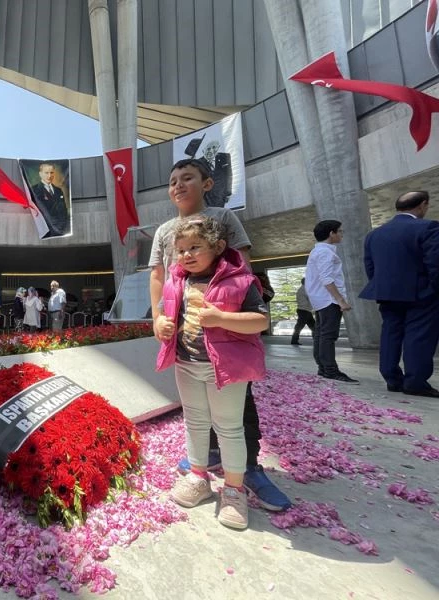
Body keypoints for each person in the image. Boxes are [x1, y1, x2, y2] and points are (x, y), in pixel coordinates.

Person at [149, 158, 291, 512]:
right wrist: (157, 317)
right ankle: (205, 464)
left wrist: (230, 315)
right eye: (173, 181)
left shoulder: (224, 218)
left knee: (238, 409)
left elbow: (241, 268)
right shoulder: (165, 230)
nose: (178, 186)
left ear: (207, 183)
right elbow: (157, 275)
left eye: (188, 178)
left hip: (226, 336)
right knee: (196, 410)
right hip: (186, 337)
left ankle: (248, 470)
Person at [157, 216, 268, 530]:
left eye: (195, 247)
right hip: (186, 364)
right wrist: (161, 326)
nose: (186, 255)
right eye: (180, 250)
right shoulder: (175, 282)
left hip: (226, 368)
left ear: (218, 247)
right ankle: (198, 476)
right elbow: (167, 317)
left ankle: (233, 490)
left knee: (229, 427)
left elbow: (260, 321)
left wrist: (220, 318)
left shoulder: (241, 282)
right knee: (194, 421)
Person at [360, 191, 439, 396]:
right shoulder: (429, 227)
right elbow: (435, 264)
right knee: (419, 336)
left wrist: (383, 286)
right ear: (422, 205)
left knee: (390, 334)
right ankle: (415, 382)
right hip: (421, 293)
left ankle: (392, 379)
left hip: (387, 294)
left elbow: (370, 266)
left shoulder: (374, 234)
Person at [305, 220, 358, 384]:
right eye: (340, 231)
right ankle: (330, 370)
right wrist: (341, 300)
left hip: (321, 299)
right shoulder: (325, 253)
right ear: (331, 233)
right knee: (328, 335)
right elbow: (327, 279)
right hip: (328, 299)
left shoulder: (318, 251)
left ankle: (323, 368)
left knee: (321, 335)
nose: (341, 234)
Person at [31, 163, 71, 237]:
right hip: (45, 229)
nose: (49, 176)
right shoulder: (34, 190)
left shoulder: (58, 190)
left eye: (51, 172)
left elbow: (63, 210)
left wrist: (62, 226)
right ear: (40, 174)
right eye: (46, 173)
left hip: (61, 228)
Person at [291, 278, 315, 345]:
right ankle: (294, 340)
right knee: (300, 326)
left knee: (312, 326)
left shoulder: (302, 289)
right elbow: (310, 297)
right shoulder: (304, 289)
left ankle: (316, 339)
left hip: (305, 310)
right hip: (304, 310)